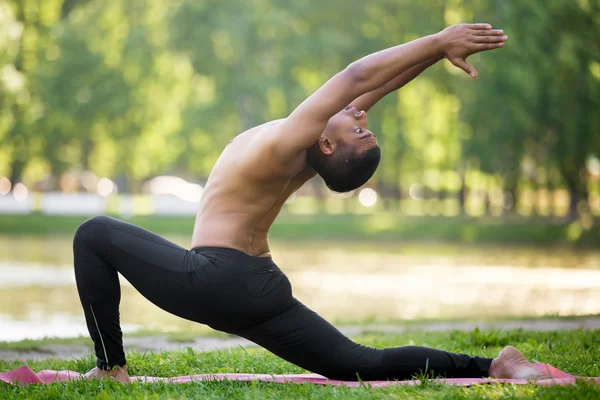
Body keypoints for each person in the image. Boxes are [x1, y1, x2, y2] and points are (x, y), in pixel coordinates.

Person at [74, 23, 549, 383]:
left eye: (360, 128)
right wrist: (436, 52)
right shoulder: (307, 152)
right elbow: (377, 85)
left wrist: (438, 38)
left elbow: (357, 75)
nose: (361, 112)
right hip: (259, 286)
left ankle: (110, 367)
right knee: (358, 364)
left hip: (217, 278)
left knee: (94, 233)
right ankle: (495, 365)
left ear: (326, 145)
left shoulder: (292, 139)